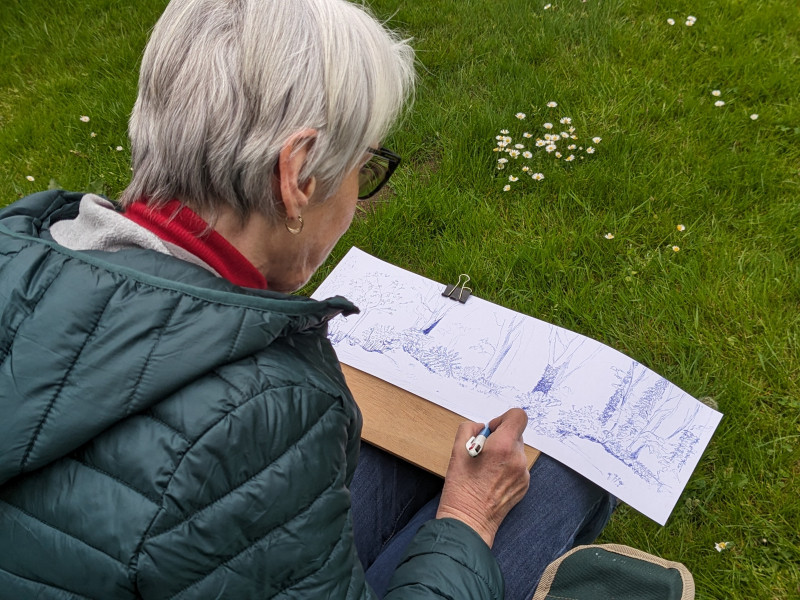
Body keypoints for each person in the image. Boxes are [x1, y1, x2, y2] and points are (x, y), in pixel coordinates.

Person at [0, 0, 615, 598]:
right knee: (567, 473)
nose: (357, 199)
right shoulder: (262, 416)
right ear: (295, 177)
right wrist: (469, 517)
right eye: (364, 168)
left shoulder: (21, 242)